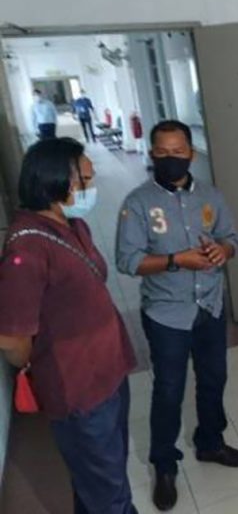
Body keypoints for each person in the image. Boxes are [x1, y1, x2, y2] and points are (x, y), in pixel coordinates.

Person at [116, 119, 238, 512]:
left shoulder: (211, 195)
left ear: (191, 153)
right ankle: (164, 464)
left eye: (178, 152)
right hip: (166, 313)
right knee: (169, 390)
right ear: (151, 154)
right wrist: (177, 260)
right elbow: (128, 261)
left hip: (210, 305)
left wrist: (224, 250)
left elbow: (232, 238)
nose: (171, 158)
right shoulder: (138, 203)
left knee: (213, 379)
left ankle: (210, 442)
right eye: (162, 152)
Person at [0, 138, 137, 513]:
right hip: (79, 389)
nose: (90, 188)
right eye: (84, 181)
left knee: (104, 475)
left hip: (109, 371)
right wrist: (43, 362)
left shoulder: (74, 226)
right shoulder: (27, 247)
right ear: (55, 180)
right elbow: (11, 339)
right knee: (107, 488)